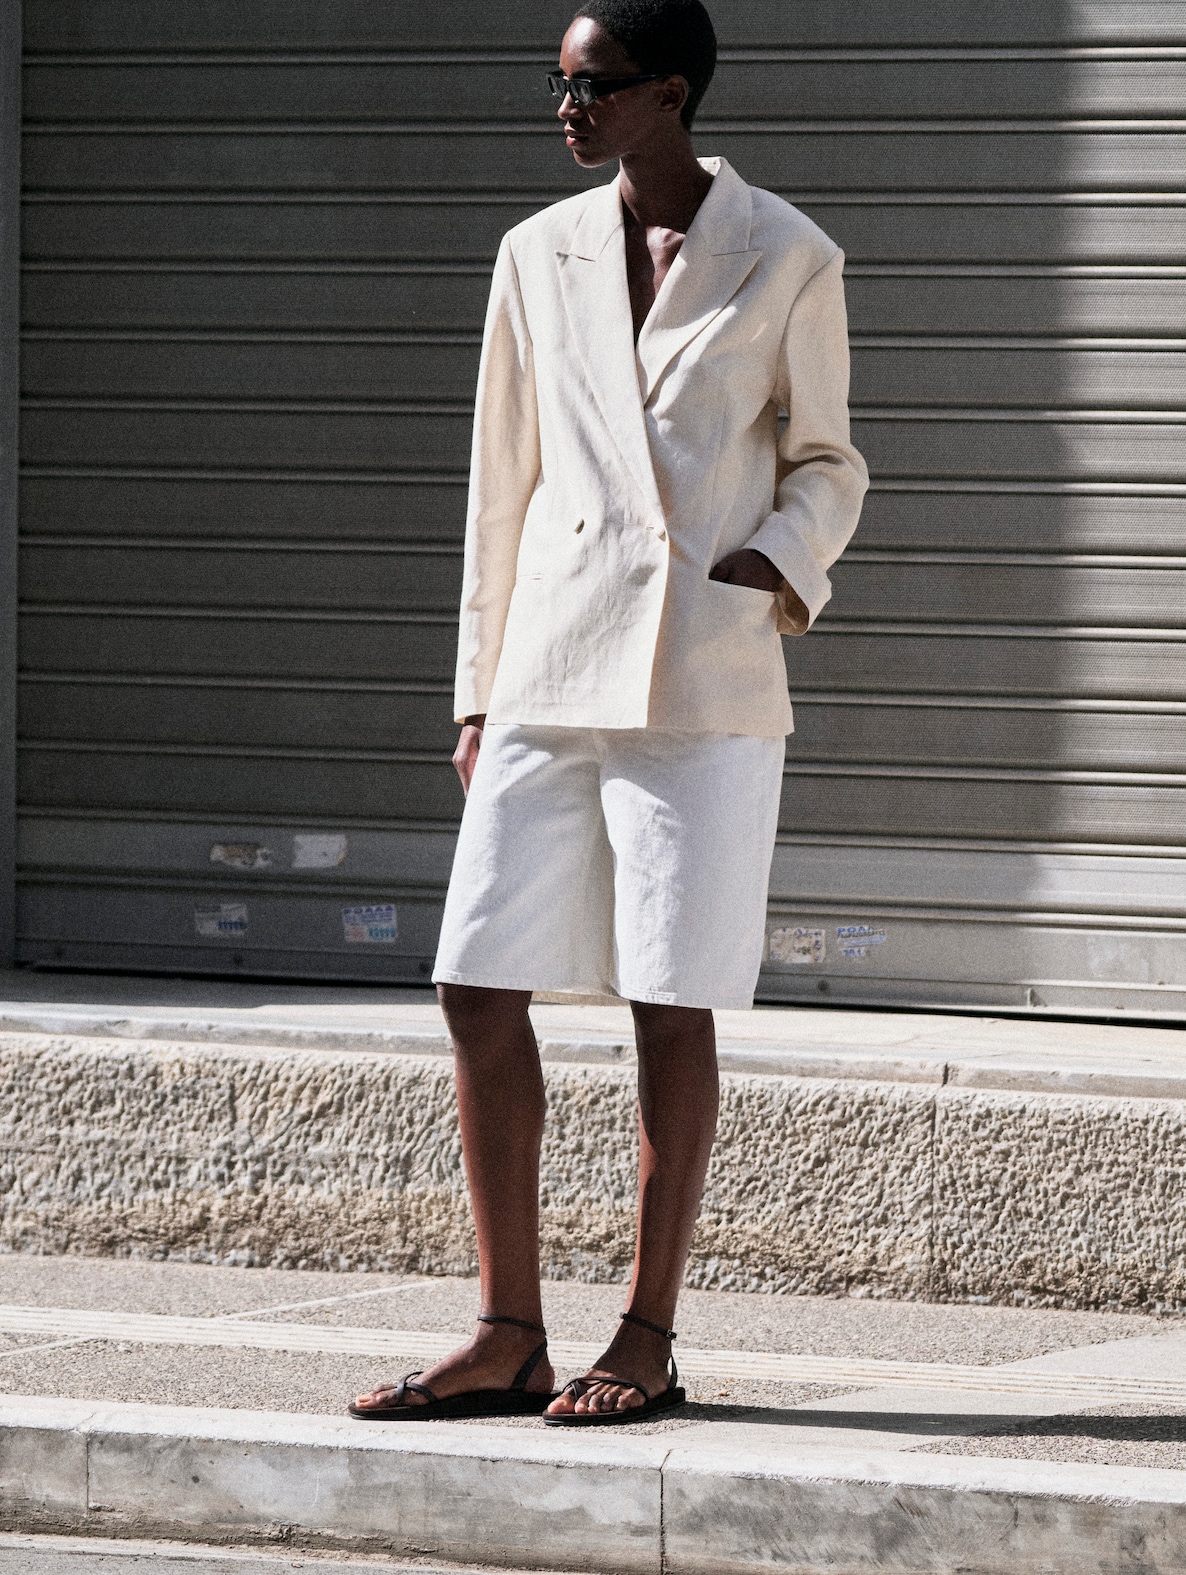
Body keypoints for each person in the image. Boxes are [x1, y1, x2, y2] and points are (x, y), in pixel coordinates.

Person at [350, 0, 867, 1427]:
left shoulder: (788, 253)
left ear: (670, 94)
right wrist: (475, 688)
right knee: (472, 980)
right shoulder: (537, 254)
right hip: (548, 663)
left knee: (668, 998)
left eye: (594, 84)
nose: (564, 106)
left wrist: (773, 562)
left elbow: (831, 459)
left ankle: (644, 1332)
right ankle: (507, 1327)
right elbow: (497, 484)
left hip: (701, 678)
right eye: (559, 82)